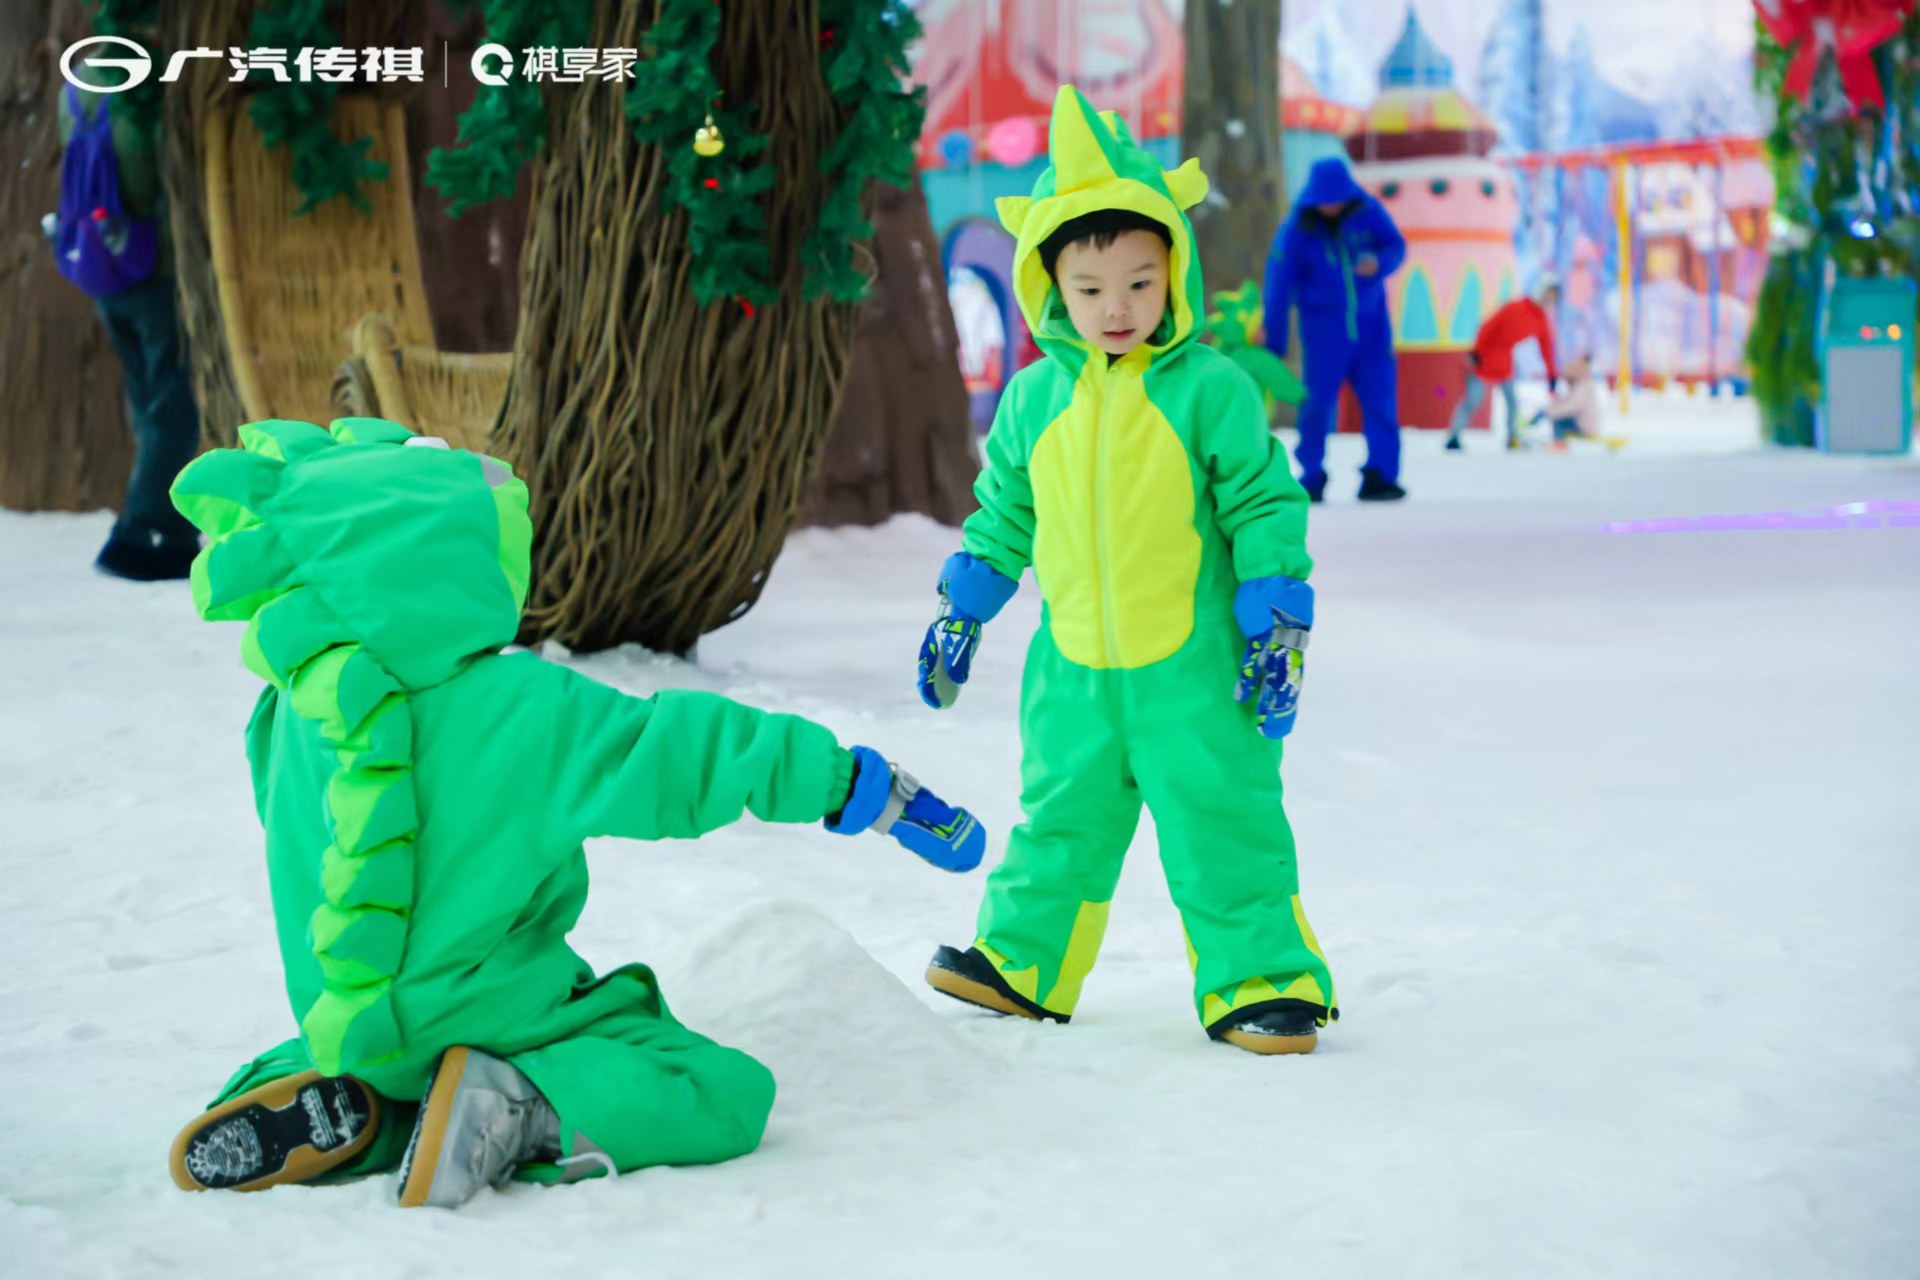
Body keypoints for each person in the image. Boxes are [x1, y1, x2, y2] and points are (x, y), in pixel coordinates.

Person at [162, 419, 987, 1209]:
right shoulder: (520, 707)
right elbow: (686, 750)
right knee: (716, 1088)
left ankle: (359, 1109)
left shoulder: (288, 716)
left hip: (345, 1020)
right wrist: (851, 784)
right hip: (494, 1009)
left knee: (365, 1048)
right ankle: (521, 1107)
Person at [913, 87, 1337, 1056]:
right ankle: (1021, 960)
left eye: (1141, 283)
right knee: (1058, 813)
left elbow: (1265, 501)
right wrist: (964, 606)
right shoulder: (1031, 402)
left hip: (1195, 670)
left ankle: (1262, 977)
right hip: (1073, 672)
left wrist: (1276, 614)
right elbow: (1005, 511)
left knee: (1221, 819)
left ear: (1173, 276)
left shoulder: (1209, 393)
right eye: (1093, 287)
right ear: (1050, 285)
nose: (1117, 308)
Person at [54, 83, 202, 580]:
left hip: (99, 264)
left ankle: (177, 533)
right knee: (176, 405)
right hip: (149, 268)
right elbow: (148, 178)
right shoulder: (143, 94)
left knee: (149, 401)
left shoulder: (73, 92)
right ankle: (133, 533)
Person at [1264, 157, 1408, 503]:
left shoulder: (1367, 211)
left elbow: (1396, 246)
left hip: (1372, 327)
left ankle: (1380, 475)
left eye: (1337, 199)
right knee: (1316, 404)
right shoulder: (1297, 229)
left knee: (1380, 401)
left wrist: (1380, 263)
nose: (1332, 206)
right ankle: (1311, 474)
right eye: (1325, 200)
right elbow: (1279, 287)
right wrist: (1275, 343)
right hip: (1324, 331)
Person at [1446, 276, 1561, 452]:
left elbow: (1547, 349)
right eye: (1548, 294)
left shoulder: (1541, 320)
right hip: (1485, 357)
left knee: (1512, 402)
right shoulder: (1516, 307)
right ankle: (1454, 435)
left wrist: (1552, 375)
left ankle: (1512, 436)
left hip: (1505, 361)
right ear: (1541, 291)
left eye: (1553, 297)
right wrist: (1476, 351)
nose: (1549, 299)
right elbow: (1488, 326)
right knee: (1473, 399)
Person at [1531, 353, 1605, 446]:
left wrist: (1548, 413)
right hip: (1581, 421)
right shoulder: (1578, 385)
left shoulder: (1584, 385)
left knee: (1559, 419)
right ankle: (1558, 442)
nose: (1566, 377)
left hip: (1585, 425)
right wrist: (1546, 410)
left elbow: (1573, 406)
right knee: (1558, 416)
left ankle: (1559, 444)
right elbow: (1565, 403)